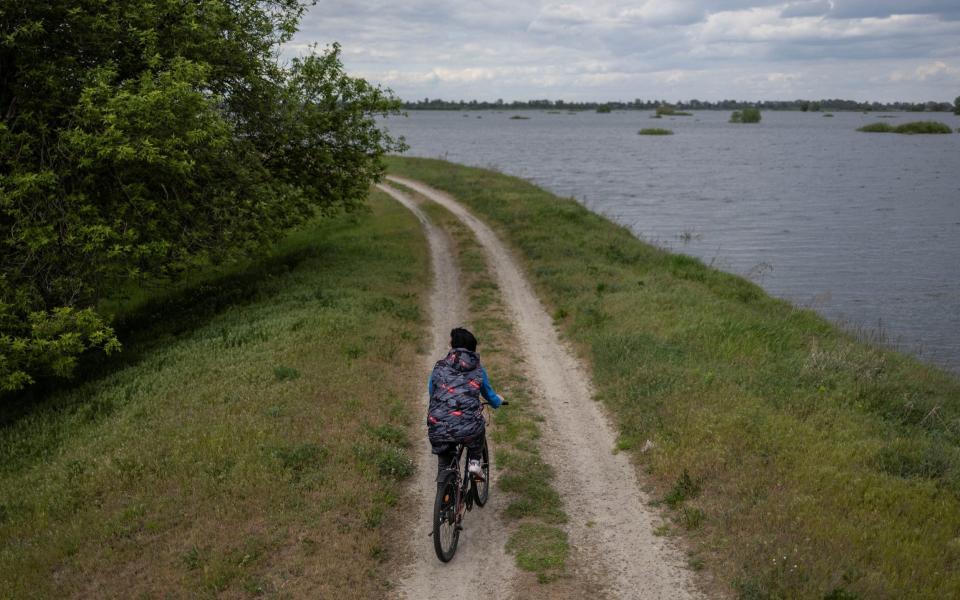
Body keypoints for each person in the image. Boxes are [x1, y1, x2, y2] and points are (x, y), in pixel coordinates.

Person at [427, 327, 503, 480]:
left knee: (444, 463)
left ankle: (443, 495)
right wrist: (498, 401)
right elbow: (489, 395)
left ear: (453, 346)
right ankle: (475, 463)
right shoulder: (478, 370)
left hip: (438, 425)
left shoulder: (439, 366)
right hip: (469, 428)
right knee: (479, 429)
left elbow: (432, 390)